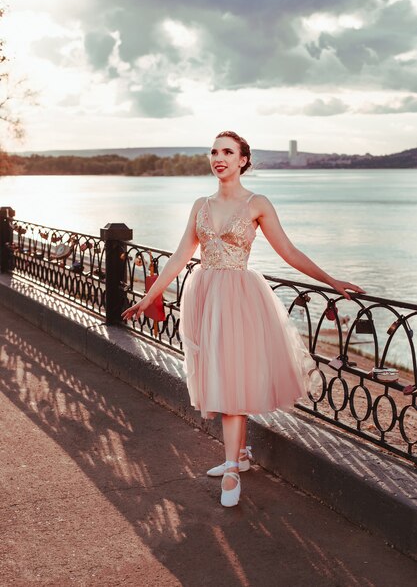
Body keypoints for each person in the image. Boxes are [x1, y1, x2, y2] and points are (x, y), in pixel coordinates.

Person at [121, 130, 366, 508]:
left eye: (228, 152)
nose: (219, 157)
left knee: (232, 381)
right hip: (205, 297)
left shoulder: (257, 203)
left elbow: (289, 252)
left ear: (243, 160)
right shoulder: (200, 204)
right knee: (219, 376)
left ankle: (233, 467)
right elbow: (179, 257)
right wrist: (148, 297)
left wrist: (331, 281)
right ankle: (242, 455)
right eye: (214, 151)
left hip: (240, 300)